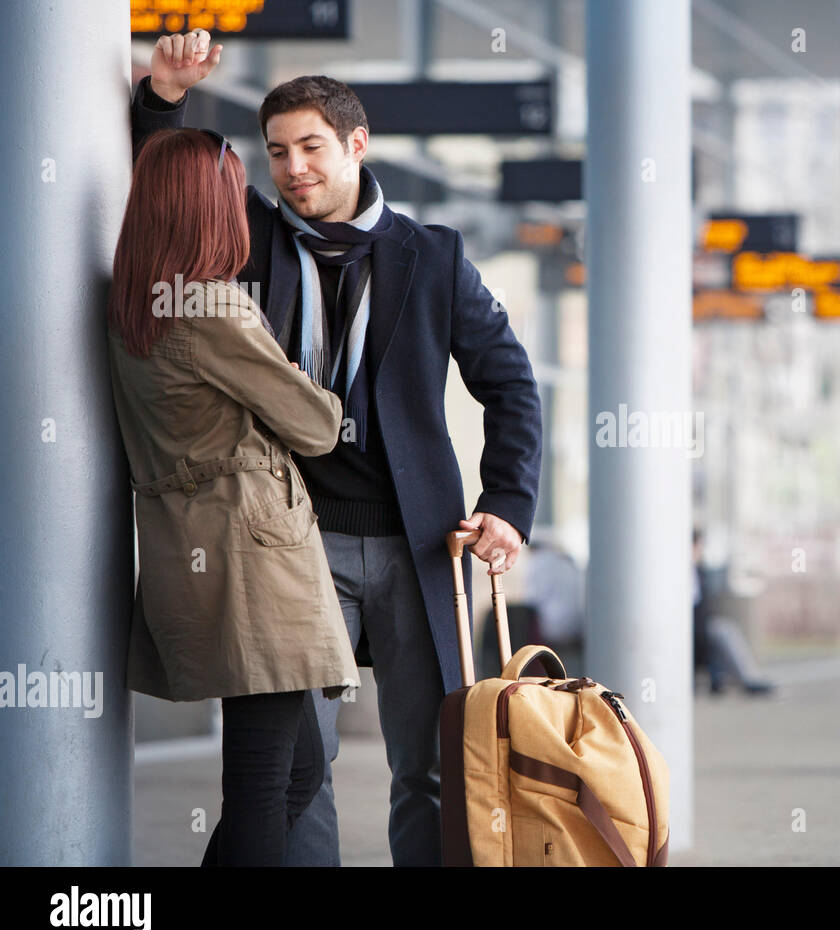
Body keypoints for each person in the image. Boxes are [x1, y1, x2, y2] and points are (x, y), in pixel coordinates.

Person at [132, 29, 544, 866]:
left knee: (428, 766)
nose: (293, 169)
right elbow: (171, 183)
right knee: (299, 767)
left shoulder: (434, 257)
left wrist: (506, 505)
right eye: (278, 152)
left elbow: (511, 385)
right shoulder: (247, 241)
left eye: (312, 147)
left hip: (419, 542)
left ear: (357, 144)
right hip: (292, 541)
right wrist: (164, 96)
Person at [108, 127, 360, 865]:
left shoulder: (135, 305)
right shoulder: (210, 306)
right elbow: (316, 424)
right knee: (261, 782)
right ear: (208, 209)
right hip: (254, 557)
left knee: (296, 769)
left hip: (195, 547)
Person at [693, 528, 776, 696]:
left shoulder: (699, 573)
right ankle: (747, 679)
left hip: (700, 629)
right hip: (687, 630)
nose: (699, 552)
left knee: (722, 629)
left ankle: (746, 678)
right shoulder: (674, 574)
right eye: (697, 546)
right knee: (721, 631)